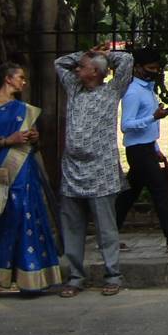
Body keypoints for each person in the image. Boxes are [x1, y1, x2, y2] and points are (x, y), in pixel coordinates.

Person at [0, 62, 60, 300]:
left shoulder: (23, 108)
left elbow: (29, 142)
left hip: (25, 170)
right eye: (20, 77)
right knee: (6, 222)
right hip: (1, 168)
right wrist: (7, 141)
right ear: (8, 79)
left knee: (30, 218)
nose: (24, 81)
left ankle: (32, 279)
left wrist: (32, 137)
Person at [54, 43, 134, 296]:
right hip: (72, 170)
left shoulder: (111, 91)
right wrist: (84, 54)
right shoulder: (74, 89)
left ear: (97, 72)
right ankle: (76, 276)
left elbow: (127, 61)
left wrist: (105, 55)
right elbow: (59, 63)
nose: (78, 69)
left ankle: (113, 274)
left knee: (106, 227)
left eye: (84, 67)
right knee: (73, 226)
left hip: (101, 171)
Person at [115, 47, 168, 255]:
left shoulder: (148, 89)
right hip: (138, 151)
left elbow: (147, 127)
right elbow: (126, 125)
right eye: (150, 68)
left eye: (157, 67)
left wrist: (156, 147)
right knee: (160, 191)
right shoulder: (133, 92)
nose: (155, 71)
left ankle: (108, 235)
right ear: (138, 68)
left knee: (129, 194)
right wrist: (153, 117)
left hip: (147, 148)